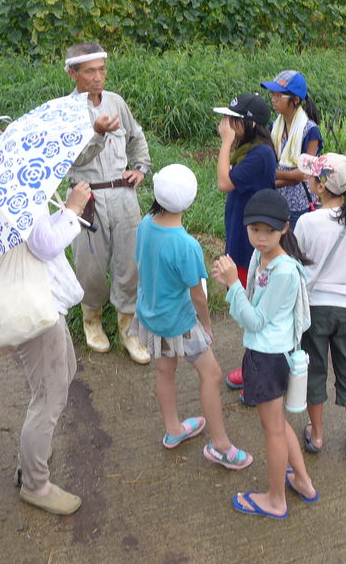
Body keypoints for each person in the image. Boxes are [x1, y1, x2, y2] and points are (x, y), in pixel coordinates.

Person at [131, 164, 253, 470]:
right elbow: (197, 294)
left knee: (165, 369)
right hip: (180, 323)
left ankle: (174, 429)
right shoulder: (186, 245)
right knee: (211, 375)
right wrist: (206, 324)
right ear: (189, 201)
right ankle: (221, 446)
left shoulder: (145, 224)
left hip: (151, 314)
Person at [213, 190, 319, 519]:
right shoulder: (262, 258)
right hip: (269, 353)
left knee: (273, 430)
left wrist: (232, 285)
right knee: (278, 425)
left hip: (268, 358)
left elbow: (256, 321)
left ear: (285, 228)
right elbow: (251, 304)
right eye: (254, 229)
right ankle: (303, 482)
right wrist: (233, 285)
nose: (260, 238)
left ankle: (275, 499)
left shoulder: (283, 271)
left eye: (269, 231)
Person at [64, 42, 152, 364]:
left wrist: (140, 168)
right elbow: (74, 158)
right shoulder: (66, 112)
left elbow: (136, 136)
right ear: (73, 73)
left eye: (102, 69)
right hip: (86, 195)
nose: (98, 77)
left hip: (123, 194)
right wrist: (97, 133)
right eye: (90, 71)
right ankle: (92, 319)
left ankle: (129, 327)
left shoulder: (116, 102)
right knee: (90, 264)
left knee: (130, 262)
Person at [10, 180, 91, 515]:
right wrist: (72, 208)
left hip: (36, 301)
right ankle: (35, 484)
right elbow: (44, 245)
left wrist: (65, 212)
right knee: (48, 398)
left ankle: (34, 455)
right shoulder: (19, 191)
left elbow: (39, 237)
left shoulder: (15, 187)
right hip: (37, 307)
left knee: (63, 373)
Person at [292, 152, 346, 459]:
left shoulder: (307, 222)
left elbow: (299, 260)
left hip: (315, 308)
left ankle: (317, 435)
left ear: (321, 186)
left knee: (314, 370)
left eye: (314, 176)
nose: (311, 180)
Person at [214, 92, 277, 395]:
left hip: (252, 244)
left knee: (252, 311)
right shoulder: (250, 150)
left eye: (233, 120)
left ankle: (257, 379)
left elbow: (224, 182)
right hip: (242, 237)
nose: (227, 124)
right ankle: (254, 368)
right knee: (248, 308)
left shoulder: (260, 154)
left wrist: (226, 142)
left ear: (250, 124)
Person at [260, 69, 323, 229]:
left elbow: (305, 174)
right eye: (272, 94)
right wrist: (288, 176)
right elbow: (294, 174)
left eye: (279, 95)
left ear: (295, 100)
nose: (273, 99)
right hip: (276, 200)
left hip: (299, 205)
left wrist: (273, 176)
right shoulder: (274, 127)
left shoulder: (310, 131)